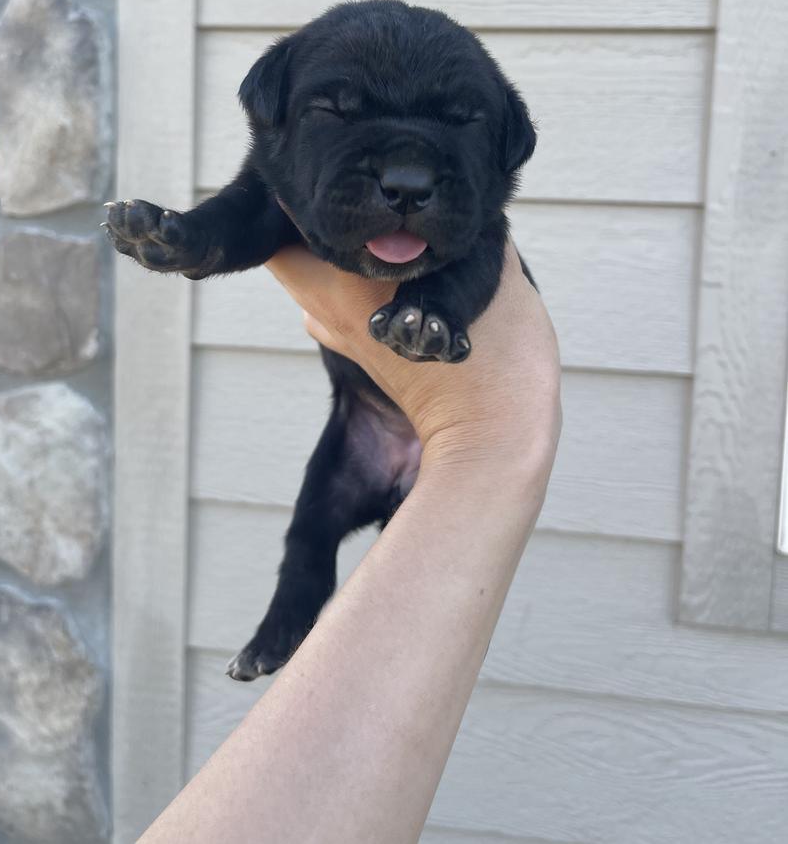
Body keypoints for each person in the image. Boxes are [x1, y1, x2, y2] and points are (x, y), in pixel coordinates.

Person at [139, 240, 561, 843]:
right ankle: (284, 628)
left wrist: (490, 425)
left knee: (432, 593)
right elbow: (254, 209)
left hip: (448, 394)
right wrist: (189, 234)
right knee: (309, 537)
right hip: (363, 418)